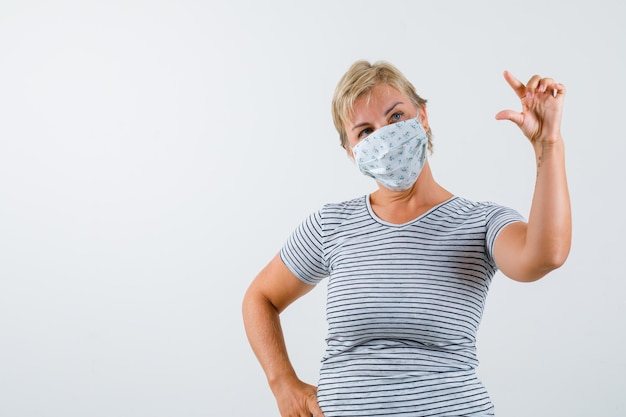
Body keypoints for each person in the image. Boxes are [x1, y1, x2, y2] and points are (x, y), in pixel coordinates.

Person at [242, 60, 571, 417]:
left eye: (396, 116)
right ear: (352, 152)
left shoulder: (480, 221)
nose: (384, 135)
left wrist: (548, 144)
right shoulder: (331, 224)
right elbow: (260, 298)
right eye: (365, 131)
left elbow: (544, 256)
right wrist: (283, 384)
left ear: (423, 117)